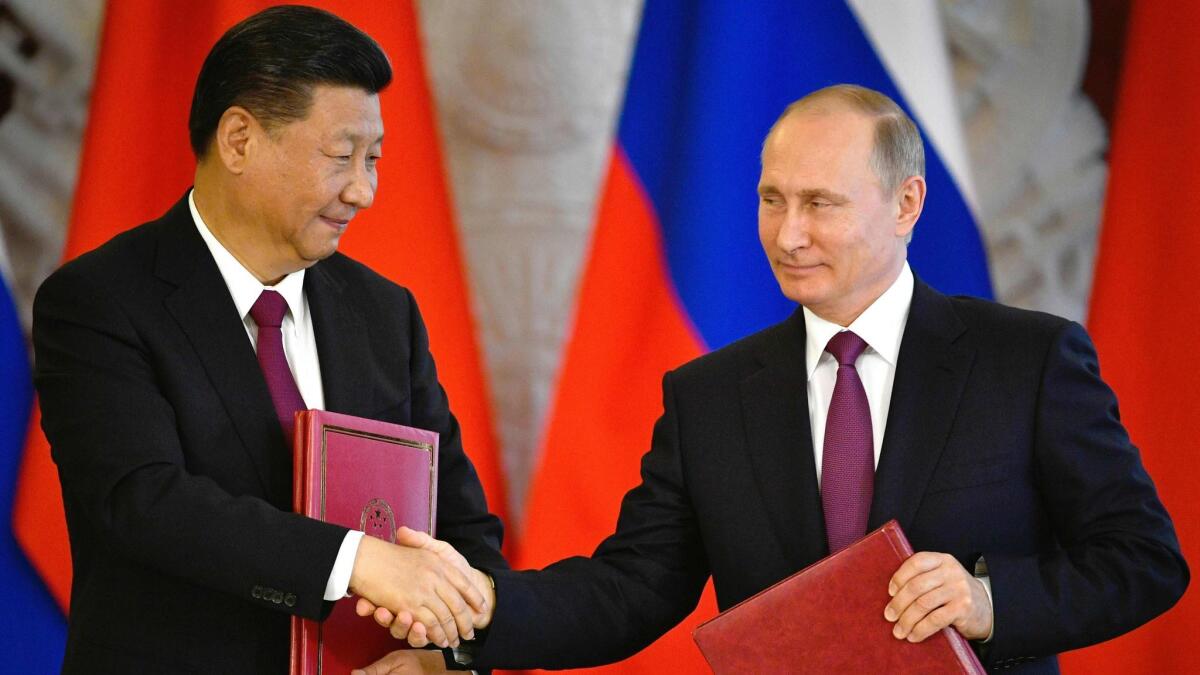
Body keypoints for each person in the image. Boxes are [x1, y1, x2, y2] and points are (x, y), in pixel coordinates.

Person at [361, 84, 1188, 674]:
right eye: (770, 199)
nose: (788, 234)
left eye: (821, 203)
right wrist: (473, 611)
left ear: (906, 204)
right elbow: (629, 590)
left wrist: (987, 600)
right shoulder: (709, 396)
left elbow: (1146, 561)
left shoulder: (1030, 360)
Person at [33, 6, 502, 673]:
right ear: (239, 140)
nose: (364, 191)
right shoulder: (100, 300)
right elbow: (143, 501)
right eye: (342, 157)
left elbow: (466, 535)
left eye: (374, 159)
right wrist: (356, 561)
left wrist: (445, 658)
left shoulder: (383, 312)